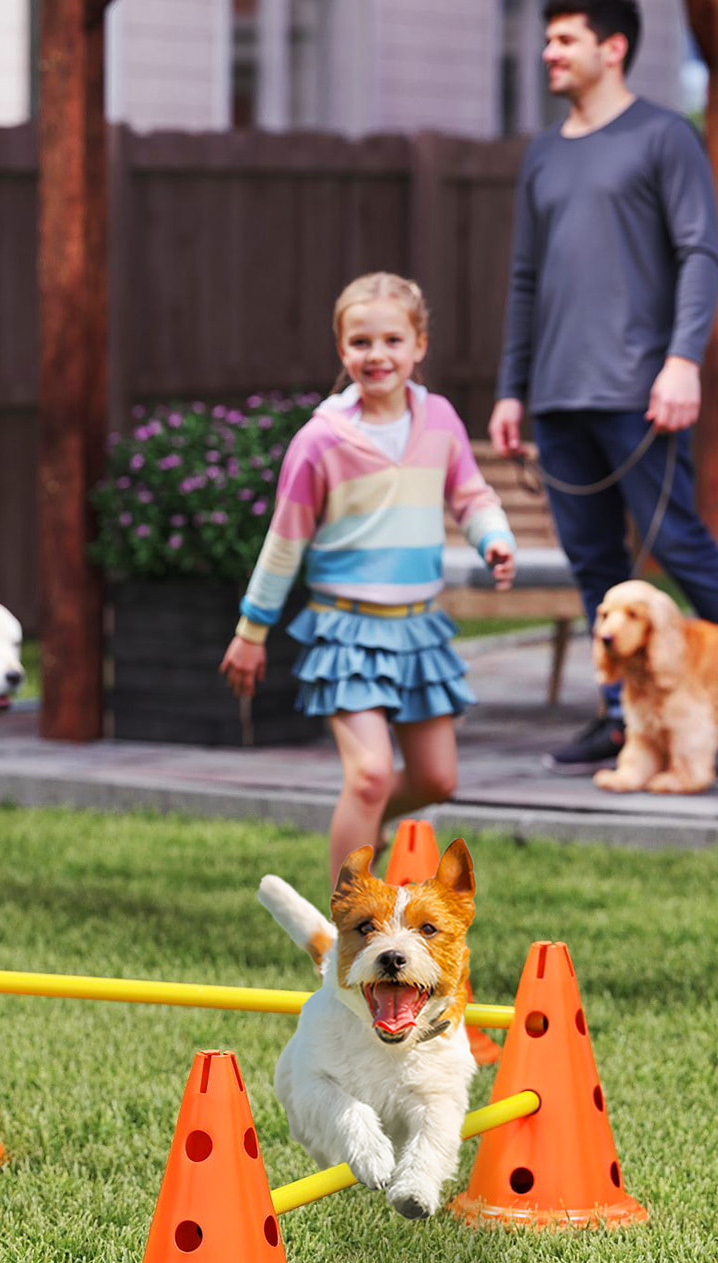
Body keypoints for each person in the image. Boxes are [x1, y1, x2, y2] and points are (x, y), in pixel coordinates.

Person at [489, 0, 718, 772]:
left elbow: (701, 254)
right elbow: (524, 280)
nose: (549, 52)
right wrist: (513, 387)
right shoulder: (543, 154)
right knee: (594, 567)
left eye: (564, 39)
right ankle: (622, 719)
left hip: (641, 390)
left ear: (612, 48)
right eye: (547, 38)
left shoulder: (664, 137)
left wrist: (683, 359)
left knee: (679, 544)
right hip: (557, 393)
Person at [221, 273, 516, 876]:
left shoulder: (440, 420)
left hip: (418, 630)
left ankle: (370, 823)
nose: (376, 355)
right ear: (341, 350)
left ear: (419, 345)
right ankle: (344, 932)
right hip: (345, 631)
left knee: (439, 779)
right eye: (360, 343)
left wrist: (495, 539)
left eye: (391, 340)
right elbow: (284, 543)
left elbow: (471, 495)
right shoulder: (320, 441)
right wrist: (251, 633)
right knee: (371, 775)